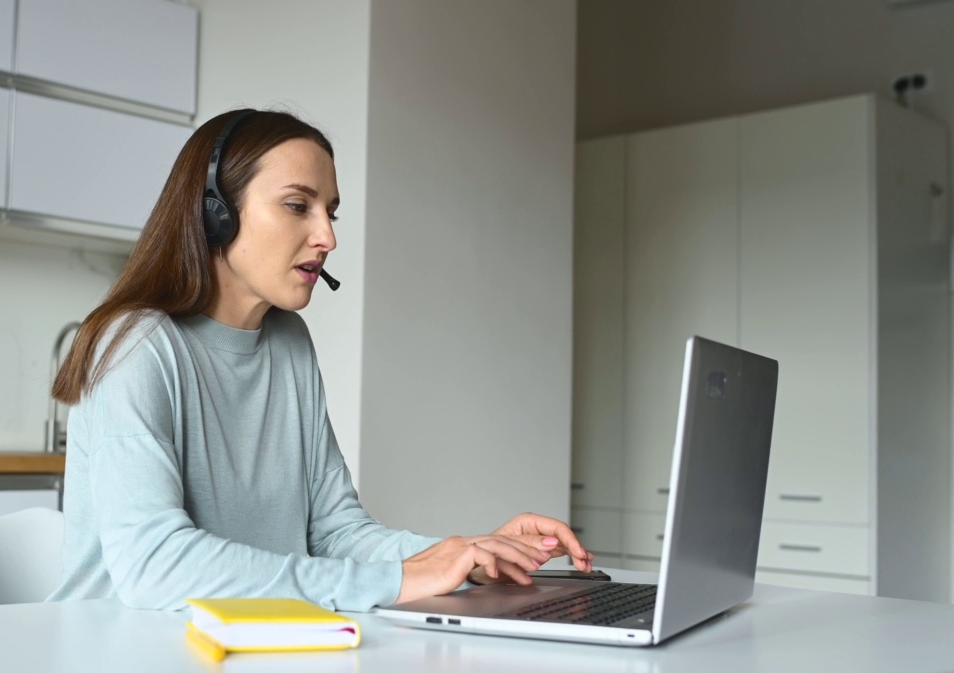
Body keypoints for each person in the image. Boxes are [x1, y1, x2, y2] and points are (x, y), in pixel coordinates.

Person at [47, 108, 594, 612]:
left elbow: (334, 533)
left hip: (246, 655)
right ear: (216, 214)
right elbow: (155, 567)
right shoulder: (136, 346)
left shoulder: (288, 343)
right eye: (296, 206)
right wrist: (398, 581)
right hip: (123, 667)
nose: (327, 236)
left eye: (329, 212)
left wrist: (469, 554)